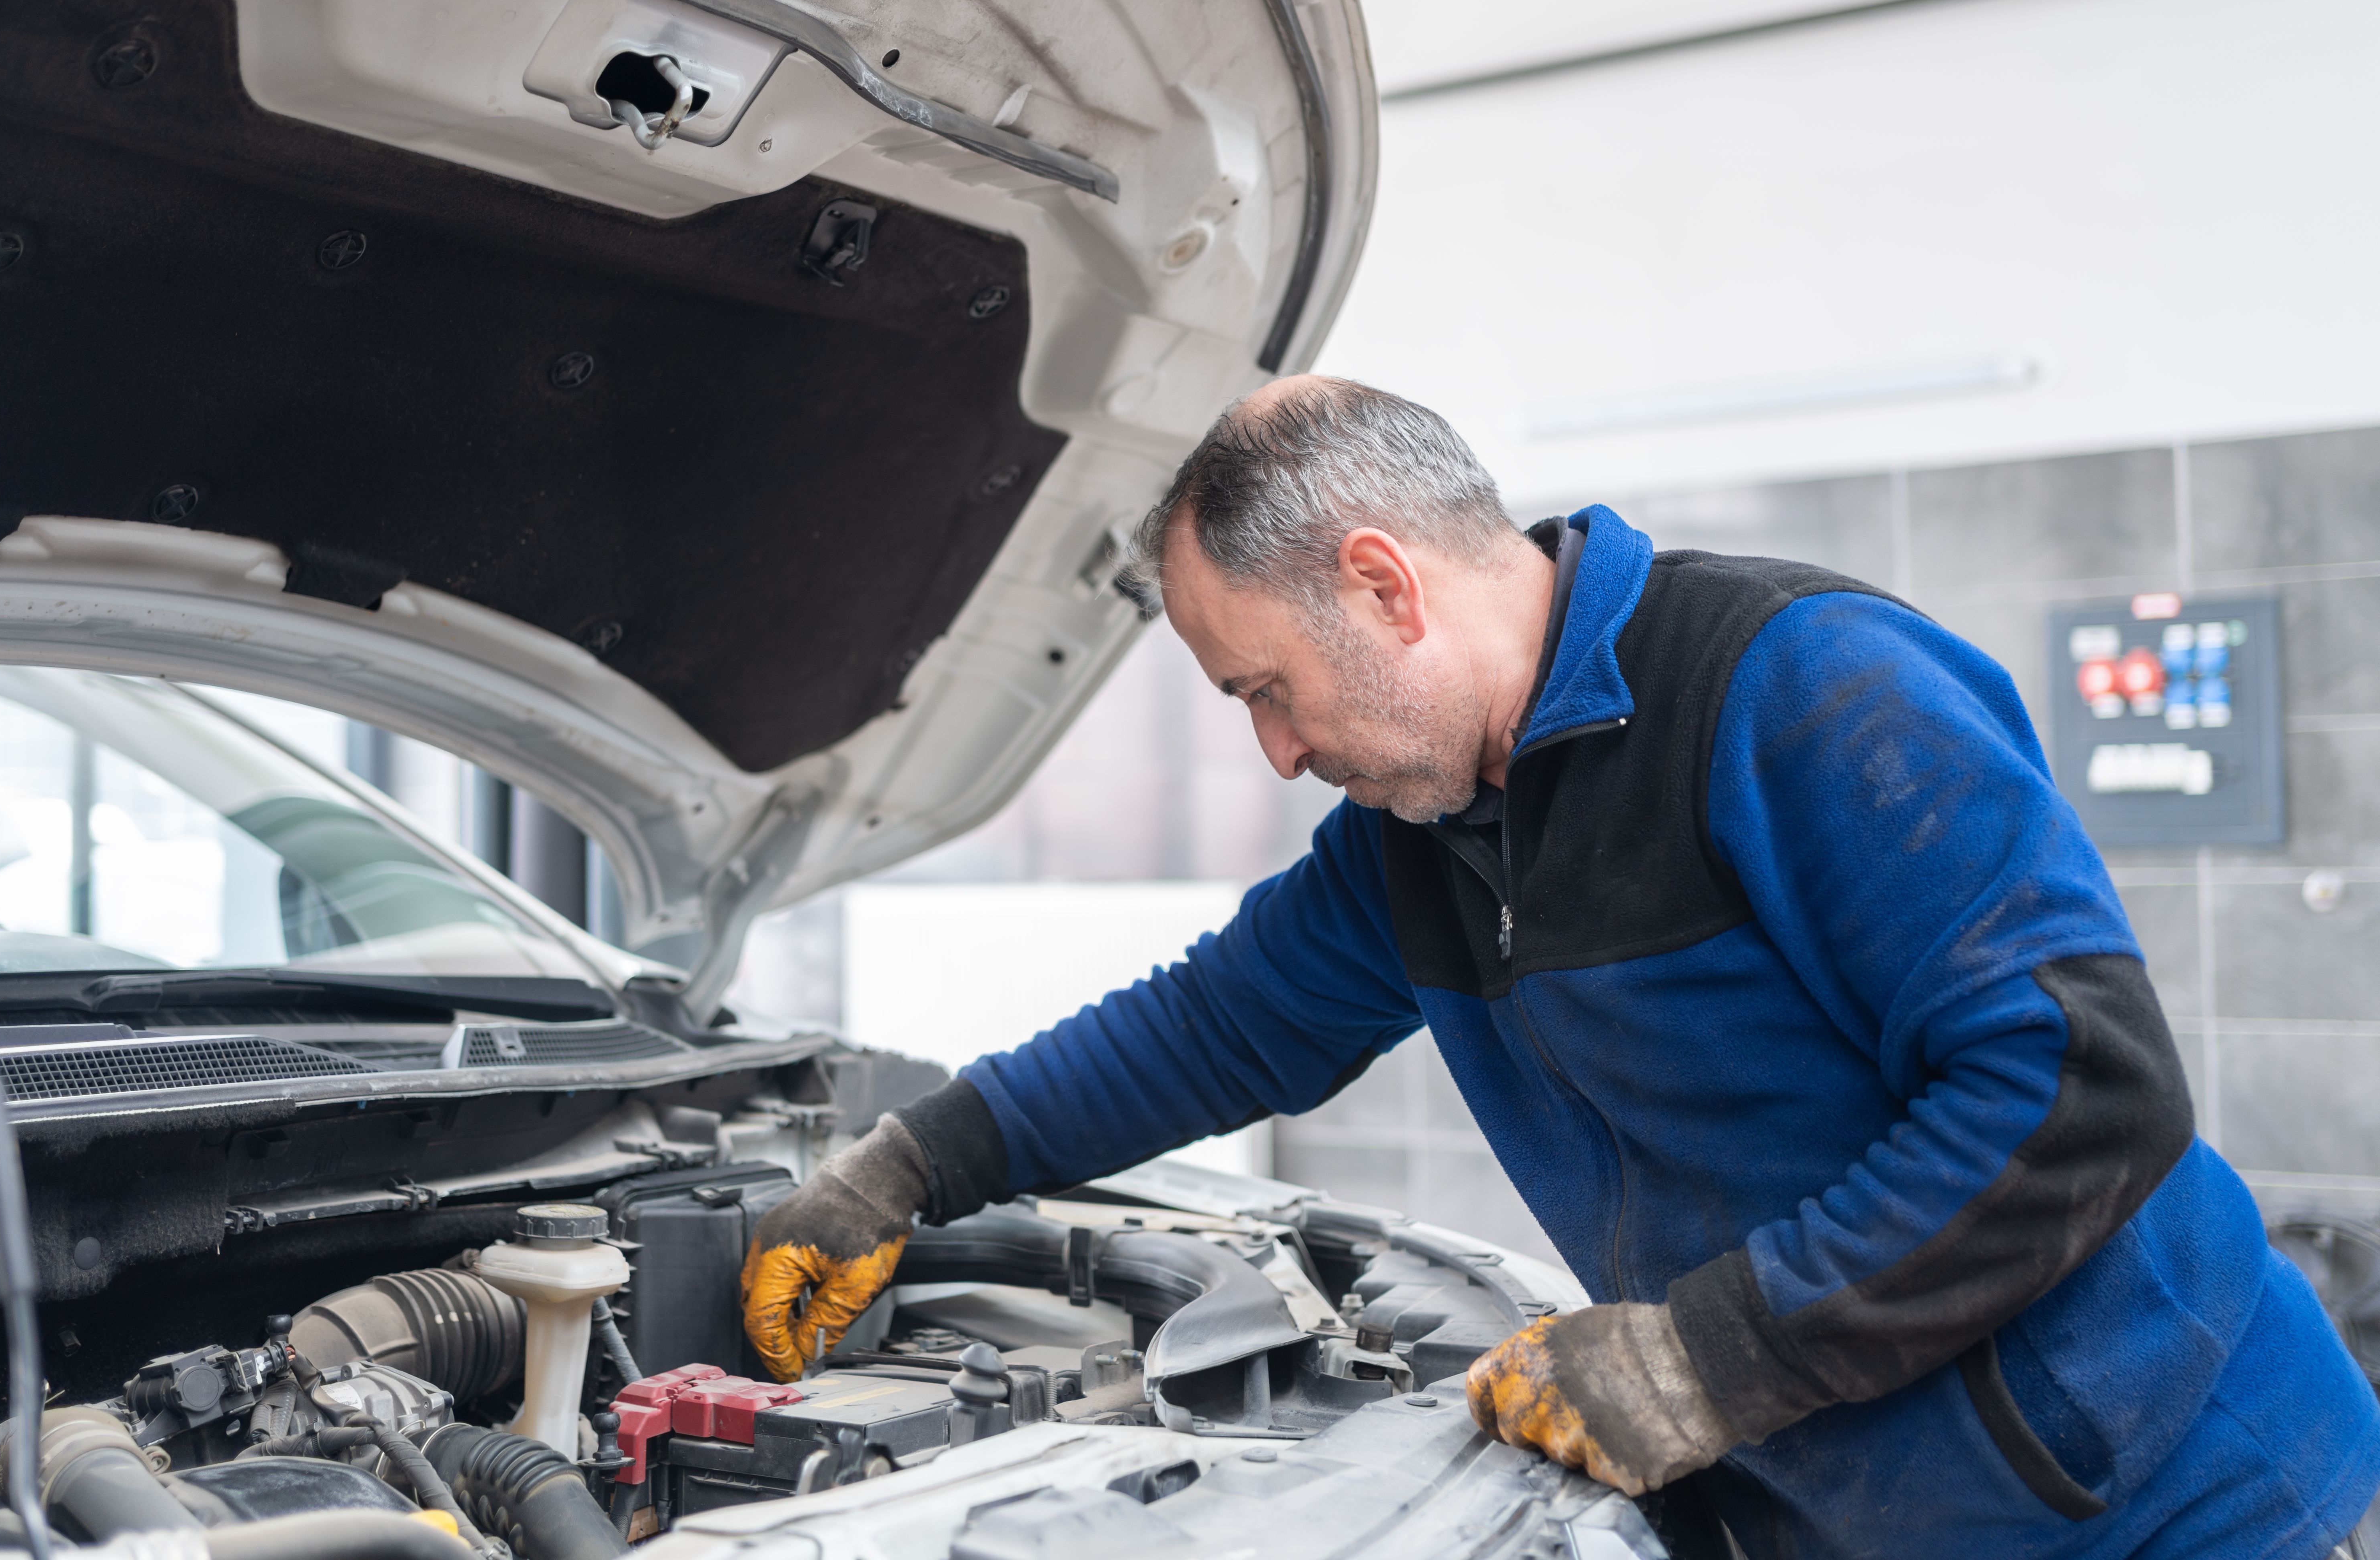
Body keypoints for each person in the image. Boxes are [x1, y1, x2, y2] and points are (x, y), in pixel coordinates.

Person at [738, 377, 2379, 1557]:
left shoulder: (1800, 690)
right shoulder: (1424, 833)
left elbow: (2079, 1093)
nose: (1282, 753)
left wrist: (1708, 1356)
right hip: (1850, 1509)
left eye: (1268, 688)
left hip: (2167, 1501)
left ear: (1383, 584)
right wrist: (909, 1164)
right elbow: (1212, 1026)